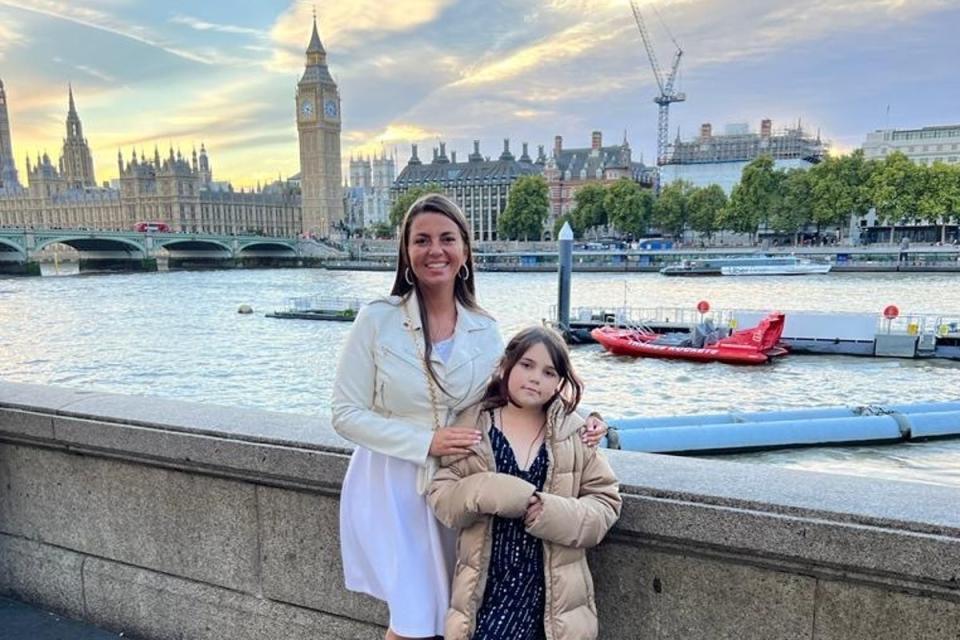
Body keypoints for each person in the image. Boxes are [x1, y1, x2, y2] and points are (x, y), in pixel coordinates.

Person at [332, 194, 607, 640]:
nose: (434, 250)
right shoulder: (376, 320)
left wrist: (587, 419)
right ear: (406, 251)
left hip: (462, 485)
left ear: (464, 251)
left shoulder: (484, 327)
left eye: (446, 239)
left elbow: (514, 394)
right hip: (394, 486)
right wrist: (426, 442)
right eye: (421, 240)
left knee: (451, 615)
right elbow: (344, 414)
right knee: (413, 618)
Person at [428, 326, 622, 640]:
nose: (535, 378)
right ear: (507, 365)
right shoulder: (473, 425)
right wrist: (484, 490)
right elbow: (442, 496)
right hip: (486, 593)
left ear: (560, 382)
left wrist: (550, 513)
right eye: (527, 365)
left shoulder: (576, 434)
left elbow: (606, 504)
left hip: (551, 602)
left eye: (549, 372)